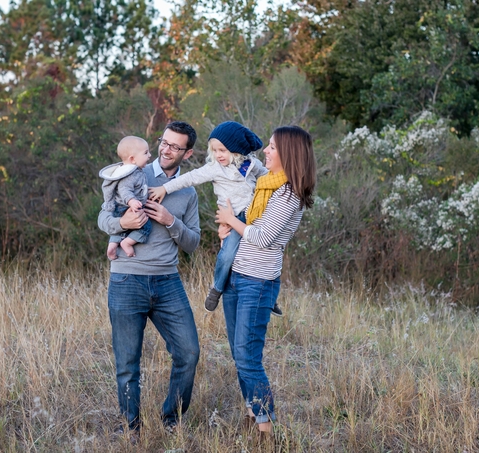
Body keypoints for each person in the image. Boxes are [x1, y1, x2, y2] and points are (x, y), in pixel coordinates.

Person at [97, 121, 201, 436]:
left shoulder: (188, 191)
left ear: (188, 153)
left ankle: (171, 420)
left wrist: (171, 222)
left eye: (175, 146)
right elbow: (103, 216)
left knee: (189, 352)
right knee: (128, 363)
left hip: (168, 282)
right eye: (163, 142)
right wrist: (122, 222)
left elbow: (193, 243)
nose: (166, 149)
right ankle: (130, 427)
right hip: (127, 281)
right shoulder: (132, 170)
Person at [215, 125, 316, 437]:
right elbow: (249, 221)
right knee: (240, 354)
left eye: (272, 147)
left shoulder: (288, 194)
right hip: (237, 276)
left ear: (289, 154)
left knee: (248, 359)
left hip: (257, 282)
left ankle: (266, 430)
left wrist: (231, 220)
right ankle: (251, 413)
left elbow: (261, 236)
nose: (266, 152)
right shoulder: (267, 185)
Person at [148, 121, 282, 316]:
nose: (219, 155)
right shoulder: (215, 168)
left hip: (255, 214)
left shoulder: (252, 163)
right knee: (228, 254)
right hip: (234, 215)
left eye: (223, 150)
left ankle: (269, 297)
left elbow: (268, 177)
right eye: (215, 150)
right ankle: (217, 288)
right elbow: (190, 178)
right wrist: (164, 188)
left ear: (237, 150)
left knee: (268, 252)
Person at [99, 136, 152, 259]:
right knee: (146, 226)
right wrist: (131, 201)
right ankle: (127, 243)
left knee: (120, 229)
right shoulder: (130, 174)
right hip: (127, 206)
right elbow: (124, 189)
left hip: (121, 208)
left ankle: (112, 245)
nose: (149, 155)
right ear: (132, 159)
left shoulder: (133, 170)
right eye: (146, 153)